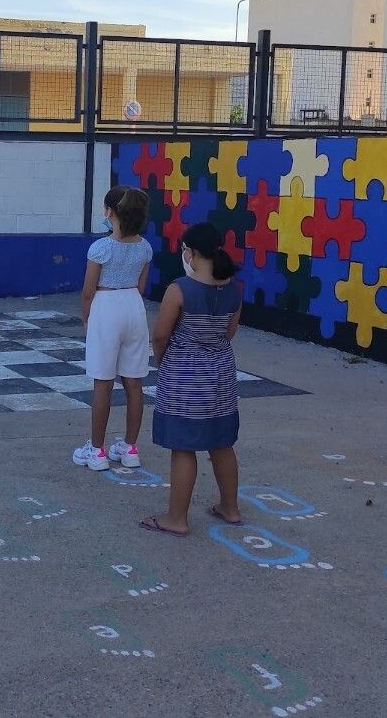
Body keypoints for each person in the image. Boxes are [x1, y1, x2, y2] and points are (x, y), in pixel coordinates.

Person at [140, 222, 244, 537]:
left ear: (192, 252)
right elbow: (229, 333)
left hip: (185, 378)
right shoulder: (233, 289)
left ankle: (176, 517)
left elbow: (160, 335)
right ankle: (230, 507)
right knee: (221, 442)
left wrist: (164, 362)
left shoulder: (179, 289)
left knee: (183, 446)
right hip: (222, 375)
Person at [74, 186, 152, 472]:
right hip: (133, 305)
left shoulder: (101, 248)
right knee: (134, 380)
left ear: (111, 212)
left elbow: (87, 290)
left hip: (106, 305)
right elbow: (142, 286)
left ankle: (96, 450)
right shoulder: (145, 247)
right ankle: (130, 447)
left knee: (103, 381)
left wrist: (86, 319)